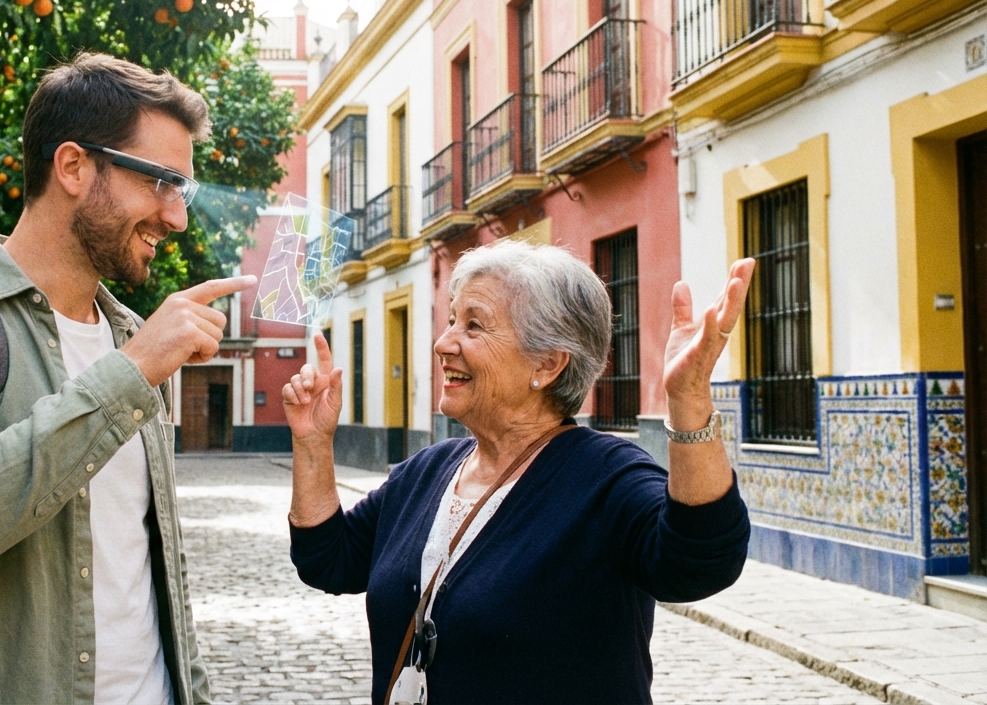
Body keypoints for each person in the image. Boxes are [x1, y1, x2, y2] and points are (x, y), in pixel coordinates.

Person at [0, 53, 253, 703]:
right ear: (72, 166)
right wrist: (131, 373)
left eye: (182, 191)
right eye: (161, 181)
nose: (176, 218)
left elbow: (155, 564)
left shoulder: (130, 334)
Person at [284, 239, 756, 704]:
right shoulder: (426, 472)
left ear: (547, 364)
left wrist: (689, 401)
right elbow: (328, 559)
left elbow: (699, 562)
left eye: (474, 326)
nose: (444, 343)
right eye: (451, 320)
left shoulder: (605, 476)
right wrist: (311, 442)